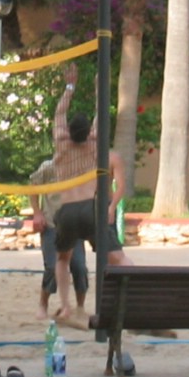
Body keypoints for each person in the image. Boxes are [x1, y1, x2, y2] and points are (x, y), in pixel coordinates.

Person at [30, 63, 129, 326]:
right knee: (117, 257)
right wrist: (99, 88)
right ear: (88, 133)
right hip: (90, 207)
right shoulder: (95, 145)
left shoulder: (61, 146)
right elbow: (101, 114)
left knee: (62, 259)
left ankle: (65, 307)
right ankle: (136, 298)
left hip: (67, 211)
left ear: (68, 132)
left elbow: (59, 113)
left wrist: (70, 86)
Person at [28, 157, 88, 321]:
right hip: (51, 224)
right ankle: (43, 304)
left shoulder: (81, 168)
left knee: (79, 267)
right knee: (52, 267)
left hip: (74, 225)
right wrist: (37, 213)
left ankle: (80, 307)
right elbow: (33, 187)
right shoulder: (49, 167)